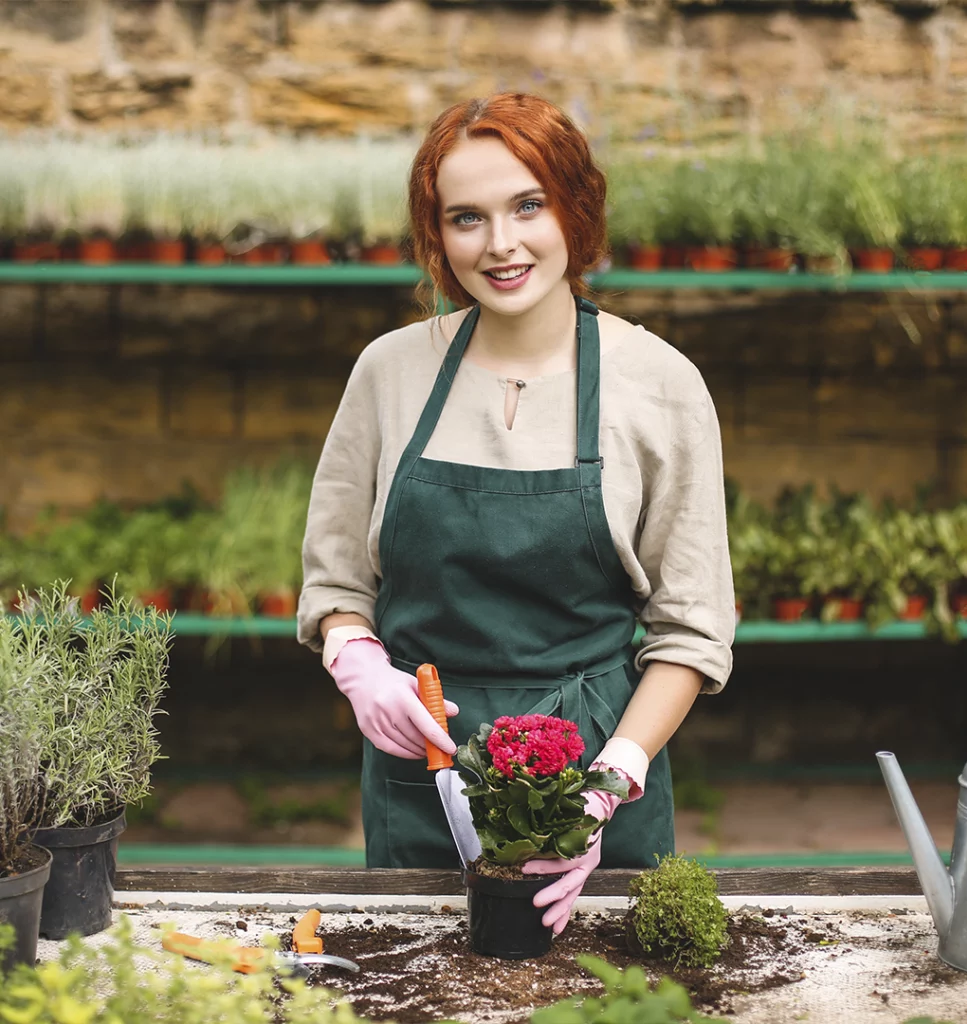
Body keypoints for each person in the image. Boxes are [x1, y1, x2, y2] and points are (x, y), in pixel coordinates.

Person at [298, 92, 735, 936]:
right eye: (467, 217)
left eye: (528, 205)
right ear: (438, 235)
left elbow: (691, 632)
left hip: (600, 766)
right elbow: (336, 581)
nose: (500, 244)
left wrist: (606, 790)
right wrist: (358, 663)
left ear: (575, 206)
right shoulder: (389, 373)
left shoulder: (660, 385)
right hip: (425, 767)